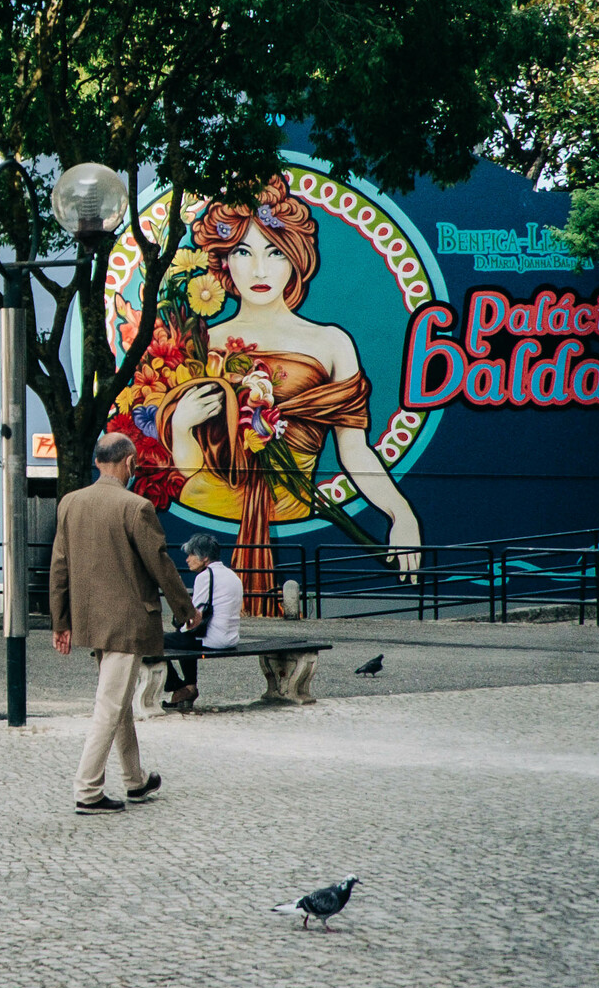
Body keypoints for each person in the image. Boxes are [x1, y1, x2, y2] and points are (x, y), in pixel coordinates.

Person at [153, 183, 423, 612]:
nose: (259, 269)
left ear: (296, 259)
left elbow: (353, 450)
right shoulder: (203, 342)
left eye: (275, 251)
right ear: (223, 261)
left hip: (293, 507)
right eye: (243, 252)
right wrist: (182, 426)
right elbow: (184, 467)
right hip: (207, 500)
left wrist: (400, 513)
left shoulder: (332, 343)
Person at [51, 432, 196, 814]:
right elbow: (160, 564)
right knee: (109, 705)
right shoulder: (136, 507)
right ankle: (88, 790)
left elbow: (59, 566)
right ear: (130, 463)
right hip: (128, 623)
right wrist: (186, 611)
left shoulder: (70, 503)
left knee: (117, 703)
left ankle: (135, 779)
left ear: (98, 462)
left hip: (90, 620)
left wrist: (60, 622)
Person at [163, 531, 243, 712]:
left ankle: (177, 686)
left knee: (152, 641)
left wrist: (178, 620)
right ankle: (189, 686)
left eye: (192, 554)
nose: (187, 559)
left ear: (204, 557)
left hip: (212, 639)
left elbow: (193, 616)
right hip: (230, 638)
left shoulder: (205, 577)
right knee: (182, 637)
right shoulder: (232, 575)